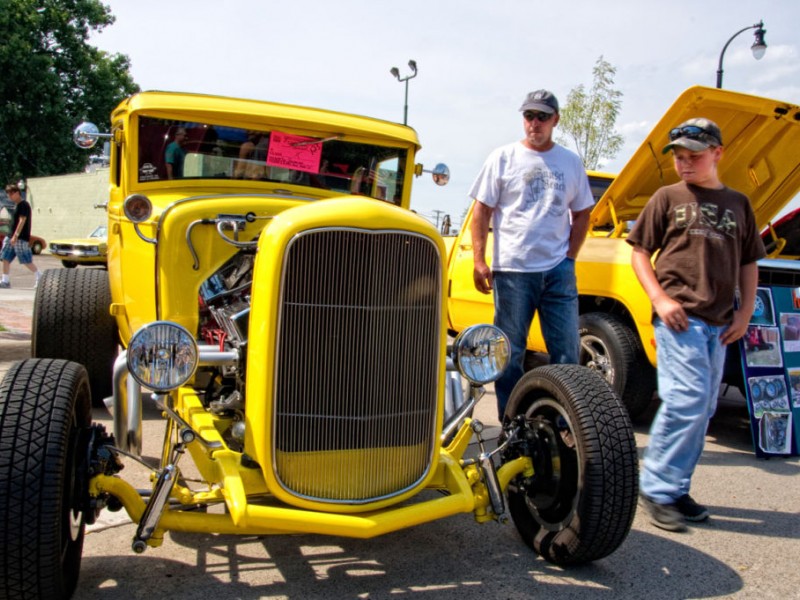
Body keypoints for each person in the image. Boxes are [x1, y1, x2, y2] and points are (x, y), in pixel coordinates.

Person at [627, 118, 766, 532]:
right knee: (685, 400)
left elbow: (748, 262)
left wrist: (744, 314)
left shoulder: (739, 204)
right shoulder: (667, 197)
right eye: (679, 158)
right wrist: (659, 298)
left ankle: (675, 487)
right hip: (679, 318)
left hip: (719, 324)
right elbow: (639, 252)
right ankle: (655, 485)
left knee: (702, 410)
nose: (685, 165)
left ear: (718, 153)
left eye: (694, 156)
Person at [468, 89, 594, 419]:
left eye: (541, 117)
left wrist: (569, 257)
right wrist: (479, 260)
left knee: (567, 353)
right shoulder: (503, 157)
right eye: (528, 116)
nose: (534, 123)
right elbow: (481, 210)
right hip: (513, 271)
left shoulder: (569, 161)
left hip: (558, 272)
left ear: (555, 120)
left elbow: (583, 213)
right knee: (510, 354)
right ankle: (512, 424)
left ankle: (562, 423)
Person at [0, 183, 40, 288]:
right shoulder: (16, 205)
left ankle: (39, 276)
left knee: (25, 260)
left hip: (20, 238)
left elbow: (22, 220)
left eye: (11, 194)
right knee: (5, 257)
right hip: (10, 236)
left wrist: (16, 236)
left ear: (17, 193)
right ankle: (5, 281)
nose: (9, 196)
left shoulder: (24, 205)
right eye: (8, 194)